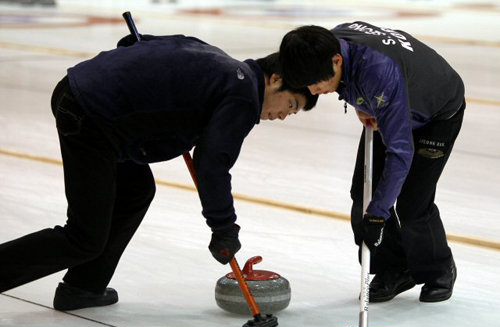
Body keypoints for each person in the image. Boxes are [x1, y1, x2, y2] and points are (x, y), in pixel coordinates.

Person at [0, 33, 317, 311]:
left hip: (86, 101)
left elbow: (142, 42)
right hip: (91, 117)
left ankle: (83, 286)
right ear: (275, 79)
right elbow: (212, 164)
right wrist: (223, 228)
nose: (283, 116)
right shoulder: (243, 95)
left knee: (136, 191)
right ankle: (76, 284)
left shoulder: (219, 59)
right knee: (84, 237)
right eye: (290, 105)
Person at [279, 22, 464, 303]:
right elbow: (354, 80)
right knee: (363, 195)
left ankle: (439, 269)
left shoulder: (378, 74)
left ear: (336, 61)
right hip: (393, 101)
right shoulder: (326, 43)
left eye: (318, 82)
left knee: (413, 201)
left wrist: (378, 215)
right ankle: (394, 269)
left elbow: (401, 152)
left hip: (437, 111)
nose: (314, 91)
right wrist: (361, 104)